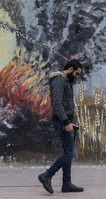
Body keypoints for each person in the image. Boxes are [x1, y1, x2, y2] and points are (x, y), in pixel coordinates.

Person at [38, 59, 84, 194]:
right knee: (70, 152)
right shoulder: (58, 81)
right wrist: (65, 122)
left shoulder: (65, 81)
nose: (77, 77)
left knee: (67, 152)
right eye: (76, 73)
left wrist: (70, 120)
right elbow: (57, 104)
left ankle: (67, 184)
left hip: (67, 120)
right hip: (61, 121)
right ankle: (47, 175)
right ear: (70, 69)